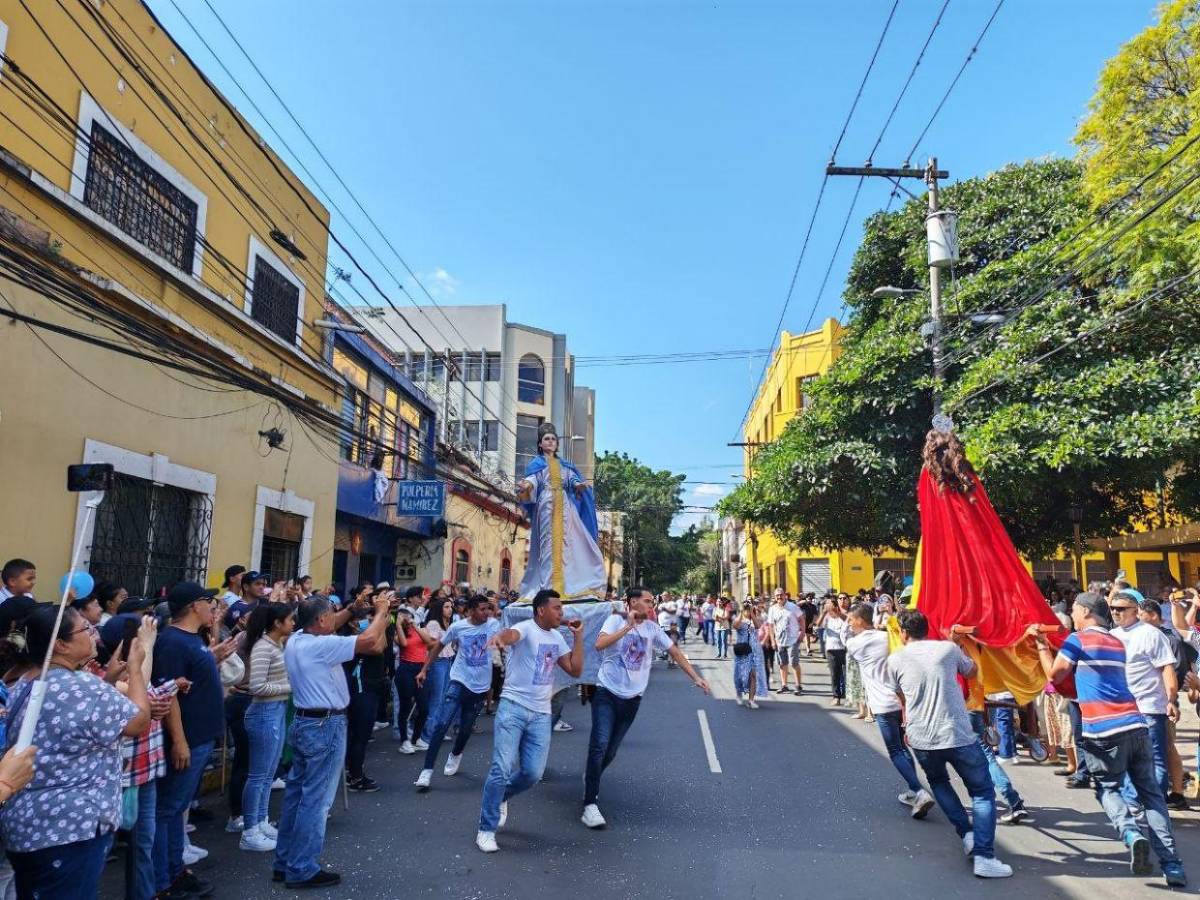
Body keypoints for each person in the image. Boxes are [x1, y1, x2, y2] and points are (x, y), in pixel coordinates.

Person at [1032, 592, 1187, 887]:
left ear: (1086, 612)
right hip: (1137, 725)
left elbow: (1055, 674)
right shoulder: (1117, 642)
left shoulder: (1079, 640)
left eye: (1075, 610)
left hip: (1103, 731)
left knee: (1107, 788)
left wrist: (1041, 645)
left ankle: (1131, 833)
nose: (1073, 616)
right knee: (1152, 797)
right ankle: (1173, 866)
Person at [2, 604, 149, 898]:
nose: (94, 634)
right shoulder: (81, 687)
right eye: (85, 629)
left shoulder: (26, 682)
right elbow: (138, 721)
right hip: (69, 828)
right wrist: (136, 666)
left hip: (27, 823)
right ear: (61, 645)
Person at [272, 591, 391, 889]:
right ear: (321, 620)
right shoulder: (322, 645)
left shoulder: (297, 639)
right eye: (330, 615)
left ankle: (284, 862)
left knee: (296, 796)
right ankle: (302, 868)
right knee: (315, 801)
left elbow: (331, 622)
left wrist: (351, 609)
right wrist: (382, 611)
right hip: (325, 725)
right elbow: (369, 640)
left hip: (305, 721)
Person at [886, 609, 1012, 879]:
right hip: (957, 734)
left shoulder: (895, 659)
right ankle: (984, 855)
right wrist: (959, 645)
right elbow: (972, 671)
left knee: (939, 783)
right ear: (926, 629)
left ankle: (967, 835)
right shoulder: (947, 650)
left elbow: (900, 694)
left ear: (903, 633)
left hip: (921, 737)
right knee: (982, 792)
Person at [582, 587, 709, 828]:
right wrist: (627, 627)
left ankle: (591, 776)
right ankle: (590, 804)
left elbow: (674, 651)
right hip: (606, 693)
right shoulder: (615, 620)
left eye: (653, 601)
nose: (652, 605)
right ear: (633, 602)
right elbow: (599, 644)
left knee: (610, 752)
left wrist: (695, 677)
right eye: (648, 601)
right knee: (599, 746)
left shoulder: (652, 629)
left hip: (632, 699)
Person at [475, 590, 584, 853]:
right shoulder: (525, 628)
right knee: (501, 768)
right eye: (557, 608)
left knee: (533, 773)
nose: (561, 613)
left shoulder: (557, 637)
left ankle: (502, 795)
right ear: (541, 610)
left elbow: (575, 670)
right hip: (512, 707)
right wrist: (500, 639)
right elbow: (511, 635)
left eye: (562, 608)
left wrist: (579, 637)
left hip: (541, 713)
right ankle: (486, 829)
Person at [151, 582, 235, 899]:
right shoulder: (172, 642)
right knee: (168, 809)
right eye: (208, 600)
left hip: (200, 737)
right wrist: (179, 741)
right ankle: (164, 879)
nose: (213, 605)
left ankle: (175, 870)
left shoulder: (191, 639)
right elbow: (169, 693)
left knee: (177, 809)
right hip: (188, 739)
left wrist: (214, 656)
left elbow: (190, 680)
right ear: (193, 606)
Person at [845, 603, 934, 818]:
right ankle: (914, 790)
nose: (849, 623)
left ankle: (920, 791)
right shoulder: (889, 636)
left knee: (895, 751)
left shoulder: (855, 643)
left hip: (882, 705)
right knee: (903, 747)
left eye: (851, 619)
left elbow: (845, 638)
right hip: (902, 700)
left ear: (860, 620)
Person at [414, 594, 500, 790]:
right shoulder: (458, 627)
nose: (486, 612)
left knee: (466, 729)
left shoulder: (493, 625)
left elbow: (510, 631)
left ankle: (455, 754)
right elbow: (439, 646)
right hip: (459, 681)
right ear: (471, 610)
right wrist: (425, 669)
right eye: (482, 609)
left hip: (480, 687)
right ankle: (426, 771)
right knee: (441, 724)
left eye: (488, 609)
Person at [515, 423, 607, 600]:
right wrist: (526, 486)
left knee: (569, 544)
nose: (550, 442)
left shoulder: (565, 465)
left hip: (565, 507)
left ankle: (569, 585)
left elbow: (572, 480)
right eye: (546, 439)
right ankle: (548, 589)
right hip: (546, 505)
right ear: (540, 444)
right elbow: (532, 480)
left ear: (557, 444)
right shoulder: (537, 464)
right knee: (547, 545)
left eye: (553, 439)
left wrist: (579, 485)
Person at [1108, 590, 1178, 800]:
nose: (1116, 612)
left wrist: (1172, 700)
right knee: (1127, 761)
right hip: (1122, 710)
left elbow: (1167, 668)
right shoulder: (1112, 636)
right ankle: (1137, 803)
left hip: (1149, 708)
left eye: (1121, 609)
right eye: (1112, 608)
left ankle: (1156, 806)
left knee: (1154, 759)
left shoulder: (1151, 634)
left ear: (1135, 611)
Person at [239, 603, 294, 852]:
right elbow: (257, 686)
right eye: (289, 619)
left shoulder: (277, 645)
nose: (293, 623)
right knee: (258, 775)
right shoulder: (263, 647)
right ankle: (250, 830)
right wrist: (290, 687)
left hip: (277, 709)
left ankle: (261, 820)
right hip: (264, 712)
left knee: (269, 773)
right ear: (277, 623)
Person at [345, 591, 392, 792]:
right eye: (368, 619)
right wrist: (381, 621)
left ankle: (353, 771)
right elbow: (377, 647)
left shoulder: (371, 632)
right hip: (361, 688)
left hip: (373, 686)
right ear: (354, 623)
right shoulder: (354, 639)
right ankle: (355, 776)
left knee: (362, 733)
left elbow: (385, 644)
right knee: (359, 733)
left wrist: (381, 622)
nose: (373, 622)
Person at [393, 607, 437, 754]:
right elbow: (404, 644)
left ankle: (416, 738)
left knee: (424, 708)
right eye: (401, 617)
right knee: (405, 707)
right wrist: (399, 625)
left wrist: (414, 626)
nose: (405, 619)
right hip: (406, 669)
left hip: (421, 670)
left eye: (406, 616)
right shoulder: (397, 633)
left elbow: (429, 642)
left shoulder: (420, 629)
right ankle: (404, 741)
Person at [419, 597, 457, 747]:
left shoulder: (449, 623)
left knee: (444, 697)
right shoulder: (434, 624)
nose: (450, 609)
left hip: (448, 660)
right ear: (439, 609)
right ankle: (426, 735)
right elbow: (431, 645)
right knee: (436, 699)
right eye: (446, 607)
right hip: (437, 662)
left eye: (451, 607)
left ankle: (436, 731)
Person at [767, 588, 804, 694]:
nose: (779, 597)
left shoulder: (793, 607)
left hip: (793, 639)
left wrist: (802, 632)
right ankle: (784, 685)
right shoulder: (772, 609)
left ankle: (798, 686)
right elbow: (771, 626)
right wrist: (773, 640)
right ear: (775, 597)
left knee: (794, 663)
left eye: (781, 595)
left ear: (785, 595)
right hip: (779, 640)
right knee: (782, 663)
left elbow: (801, 619)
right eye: (777, 595)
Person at [732, 602, 767, 709]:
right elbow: (735, 626)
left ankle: (751, 700)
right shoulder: (739, 619)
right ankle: (739, 694)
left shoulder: (756, 619)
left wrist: (752, 612)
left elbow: (758, 626)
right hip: (742, 652)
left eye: (749, 609)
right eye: (746, 609)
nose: (747, 611)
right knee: (740, 676)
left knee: (753, 676)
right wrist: (741, 612)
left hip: (754, 652)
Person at [819, 598, 849, 706]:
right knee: (835, 674)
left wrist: (837, 612)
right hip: (831, 649)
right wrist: (823, 612)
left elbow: (847, 620)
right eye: (826, 604)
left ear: (835, 605)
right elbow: (818, 624)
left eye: (830, 604)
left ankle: (848, 696)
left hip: (844, 649)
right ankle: (836, 697)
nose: (828, 606)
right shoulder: (826, 618)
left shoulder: (842, 616)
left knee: (846, 674)